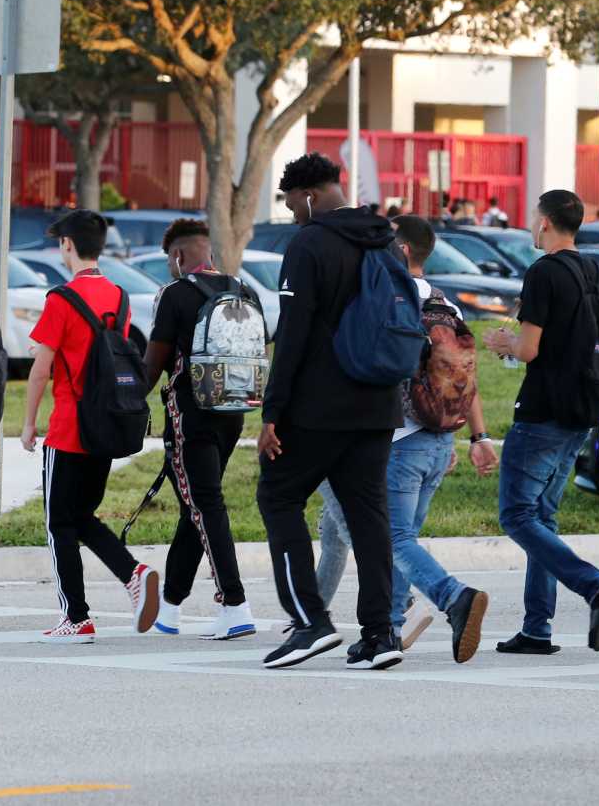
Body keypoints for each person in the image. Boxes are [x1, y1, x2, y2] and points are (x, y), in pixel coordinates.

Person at [255, 152, 403, 670]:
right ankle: (381, 634)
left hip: (320, 406)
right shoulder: (384, 239)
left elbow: (292, 335)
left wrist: (272, 411)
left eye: (293, 202)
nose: (292, 212)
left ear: (310, 196)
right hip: (379, 403)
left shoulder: (309, 244)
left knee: (277, 495)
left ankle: (310, 622)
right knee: (369, 516)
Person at [482, 189, 599, 656]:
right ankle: (536, 628)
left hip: (544, 408)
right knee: (542, 516)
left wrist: (502, 342)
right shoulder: (594, 273)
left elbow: (529, 349)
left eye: (533, 217)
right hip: (582, 407)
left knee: (517, 515)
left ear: (545, 223)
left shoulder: (544, 271)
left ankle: (595, 587)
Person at [20, 209, 160, 643]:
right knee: (81, 516)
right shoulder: (119, 297)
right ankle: (132, 573)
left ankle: (76, 616)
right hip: (106, 424)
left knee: (59, 523)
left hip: (67, 428)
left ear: (67, 245)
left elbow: (41, 369)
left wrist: (28, 424)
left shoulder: (60, 300)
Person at [379, 214, 499, 662]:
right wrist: (477, 436)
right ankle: (388, 631)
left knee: (394, 539)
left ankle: (454, 598)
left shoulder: (393, 300)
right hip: (439, 440)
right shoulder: (448, 306)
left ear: (404, 250)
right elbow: (465, 379)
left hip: (401, 440)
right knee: (402, 538)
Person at [142, 218, 256, 640]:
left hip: (189, 414)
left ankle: (235, 603)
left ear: (176, 256)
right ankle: (170, 609)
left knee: (205, 505)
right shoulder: (241, 289)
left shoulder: (175, 294)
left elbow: (155, 360)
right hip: (234, 410)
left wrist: (130, 399)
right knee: (197, 507)